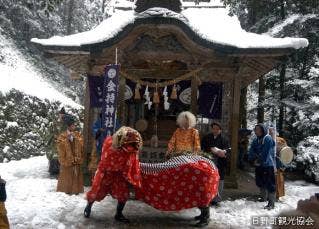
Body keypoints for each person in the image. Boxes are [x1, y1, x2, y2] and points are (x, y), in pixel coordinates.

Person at [84, 126, 143, 223]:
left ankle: (118, 214)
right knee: (96, 192)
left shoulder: (131, 149)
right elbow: (106, 161)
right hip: (105, 173)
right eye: (130, 145)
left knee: (123, 194)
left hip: (119, 175)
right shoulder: (109, 144)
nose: (132, 148)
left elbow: (131, 159)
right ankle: (89, 206)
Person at [201, 122, 230, 206]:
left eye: (217, 129)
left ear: (220, 130)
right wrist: (209, 151)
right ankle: (208, 197)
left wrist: (223, 152)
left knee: (220, 179)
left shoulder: (225, 139)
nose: (215, 130)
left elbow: (228, 149)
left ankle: (217, 199)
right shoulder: (207, 137)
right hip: (209, 161)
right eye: (214, 128)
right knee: (208, 179)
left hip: (220, 161)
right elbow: (202, 148)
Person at [248, 123, 276, 210]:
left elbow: (266, 152)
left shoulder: (267, 139)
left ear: (263, 130)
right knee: (260, 182)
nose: (257, 131)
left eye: (258, 130)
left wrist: (259, 160)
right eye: (256, 130)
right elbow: (251, 150)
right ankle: (263, 198)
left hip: (268, 164)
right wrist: (252, 159)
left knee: (270, 183)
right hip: (259, 164)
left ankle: (271, 203)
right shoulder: (256, 140)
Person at [56, 116, 84, 194]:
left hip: (76, 158)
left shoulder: (77, 134)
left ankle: (76, 190)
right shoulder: (62, 135)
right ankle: (65, 189)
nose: (74, 126)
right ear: (68, 126)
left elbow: (82, 142)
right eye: (73, 125)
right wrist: (66, 141)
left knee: (76, 174)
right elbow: (59, 145)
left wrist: (75, 139)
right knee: (66, 174)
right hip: (67, 159)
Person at [269, 127, 287, 199]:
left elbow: (284, 150)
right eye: (270, 132)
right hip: (271, 161)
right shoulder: (268, 139)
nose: (270, 133)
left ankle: (277, 195)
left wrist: (277, 147)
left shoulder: (280, 140)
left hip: (278, 161)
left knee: (278, 179)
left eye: (271, 132)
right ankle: (272, 195)